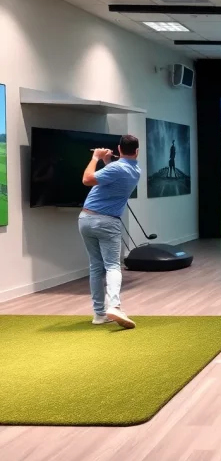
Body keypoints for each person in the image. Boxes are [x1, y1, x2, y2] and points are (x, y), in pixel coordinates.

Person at [79, 135, 141, 329]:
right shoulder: (135, 170)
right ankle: (114, 306)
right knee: (113, 266)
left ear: (119, 148)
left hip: (86, 219)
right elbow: (112, 175)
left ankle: (99, 314)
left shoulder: (115, 168)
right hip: (108, 221)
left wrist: (96, 158)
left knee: (96, 267)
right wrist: (107, 161)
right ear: (137, 151)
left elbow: (87, 179)